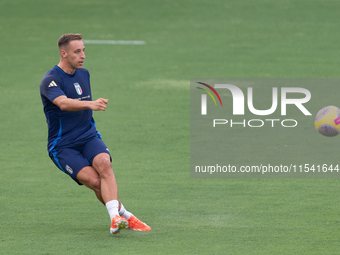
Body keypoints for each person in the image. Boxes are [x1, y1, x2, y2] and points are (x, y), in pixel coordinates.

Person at [39, 33, 151, 235]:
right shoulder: (51, 80)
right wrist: (90, 104)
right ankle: (125, 215)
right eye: (77, 51)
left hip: (88, 136)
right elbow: (63, 103)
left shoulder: (84, 74)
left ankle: (115, 219)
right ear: (64, 53)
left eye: (83, 51)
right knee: (95, 182)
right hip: (62, 145)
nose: (82, 55)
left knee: (105, 165)